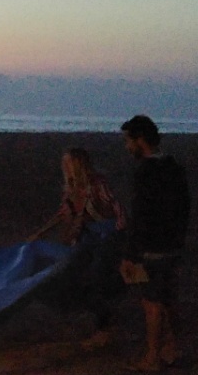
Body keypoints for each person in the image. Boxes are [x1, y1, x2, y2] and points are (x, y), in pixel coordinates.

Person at [29, 147, 126, 349]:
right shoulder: (71, 188)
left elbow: (116, 208)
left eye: (69, 162)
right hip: (88, 236)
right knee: (72, 277)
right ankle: (98, 321)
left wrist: (120, 231)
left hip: (106, 237)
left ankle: (104, 329)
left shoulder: (97, 184)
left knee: (96, 279)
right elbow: (64, 213)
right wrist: (40, 233)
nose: (65, 166)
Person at [118, 115, 191, 371]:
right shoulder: (173, 167)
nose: (127, 148)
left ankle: (152, 356)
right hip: (172, 244)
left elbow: (141, 216)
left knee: (152, 302)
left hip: (152, 247)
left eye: (128, 142)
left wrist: (130, 254)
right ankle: (173, 348)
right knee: (169, 299)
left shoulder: (146, 173)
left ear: (140, 140)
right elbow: (184, 207)